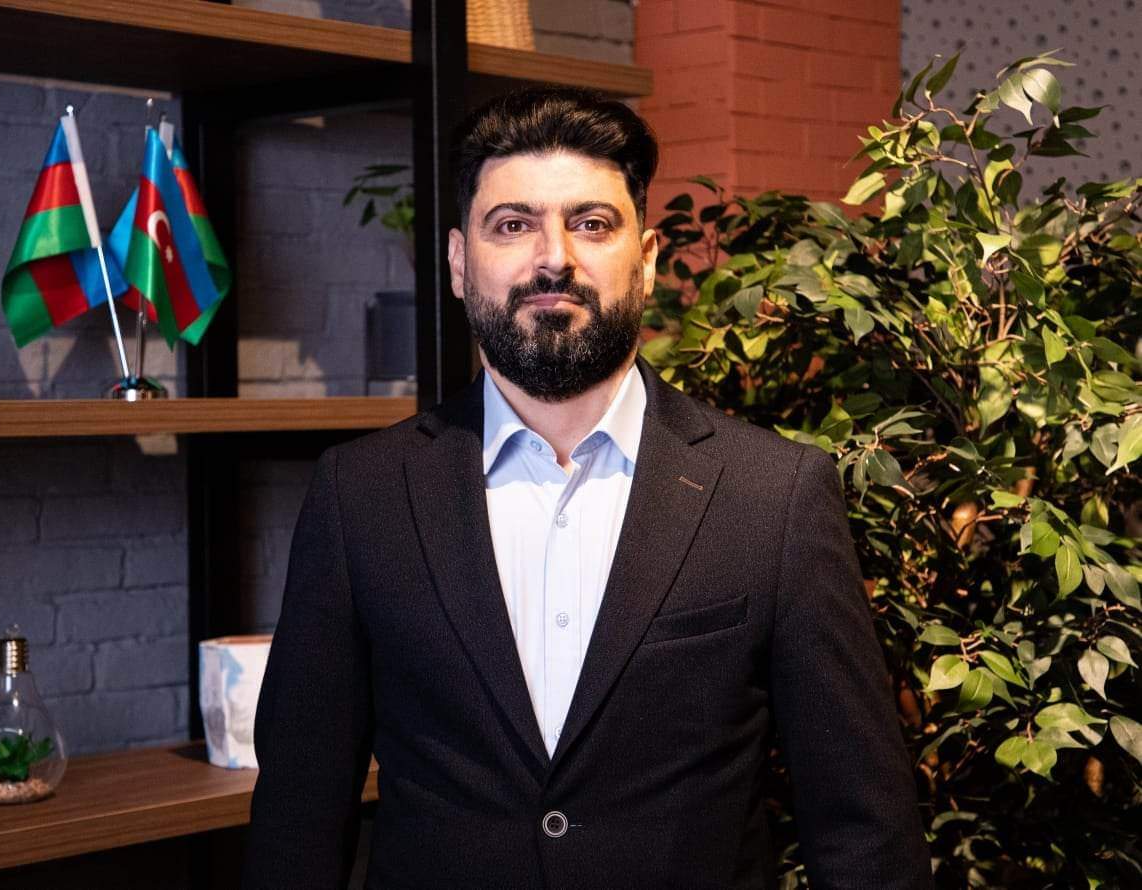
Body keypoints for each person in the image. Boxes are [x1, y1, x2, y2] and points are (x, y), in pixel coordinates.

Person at [244, 87, 933, 889]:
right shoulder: (360, 496)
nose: (554, 258)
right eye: (513, 225)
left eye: (593, 224)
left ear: (646, 259)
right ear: (460, 263)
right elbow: (297, 819)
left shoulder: (772, 495)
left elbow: (864, 833)